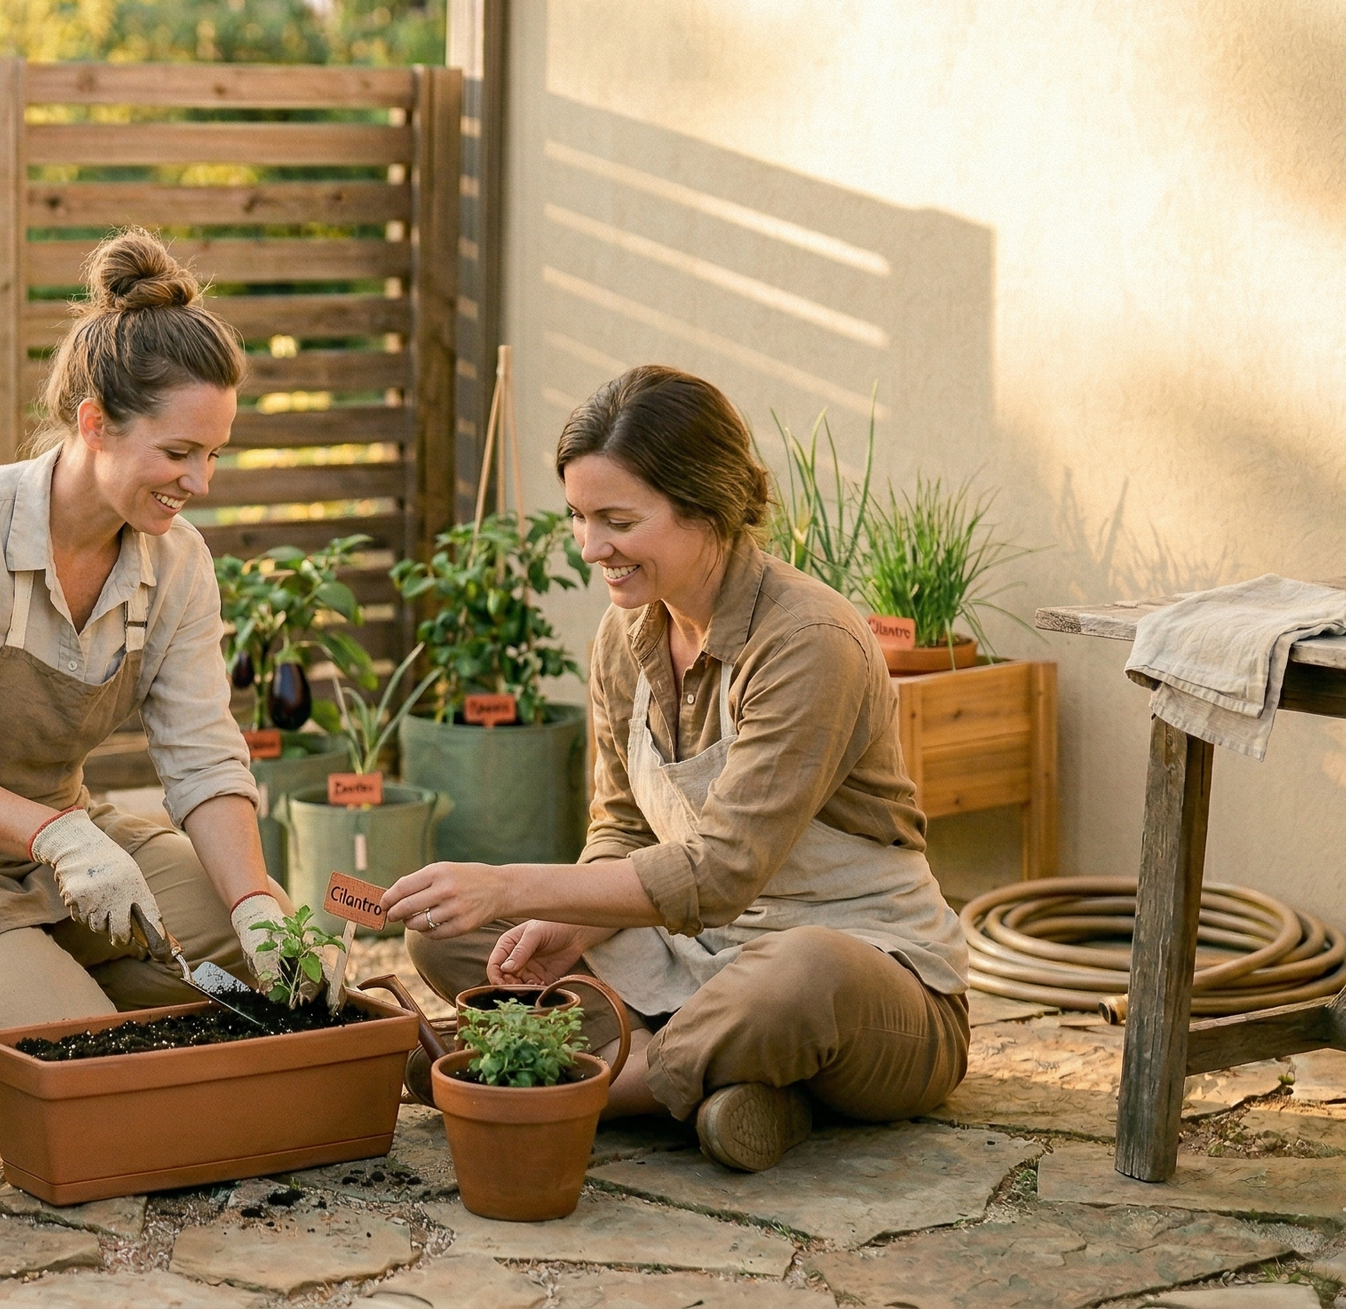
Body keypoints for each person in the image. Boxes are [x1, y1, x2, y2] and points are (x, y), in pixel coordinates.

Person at [380, 365, 971, 1172]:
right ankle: (733, 1091)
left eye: (618, 519)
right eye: (580, 519)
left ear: (709, 505)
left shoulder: (808, 642)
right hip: (690, 965)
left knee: (800, 974)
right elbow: (621, 825)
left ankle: (579, 1086)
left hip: (869, 981)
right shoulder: (625, 636)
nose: (592, 549)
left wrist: (514, 882)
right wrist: (569, 921)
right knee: (459, 939)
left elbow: (723, 873)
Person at [0, 228, 330, 1115]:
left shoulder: (176, 564)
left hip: (75, 842)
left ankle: (57, 983)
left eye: (214, 453)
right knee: (74, 1075)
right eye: (179, 453)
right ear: (95, 422)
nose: (200, 481)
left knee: (267, 980)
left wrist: (258, 901)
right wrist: (57, 840)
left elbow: (204, 760)